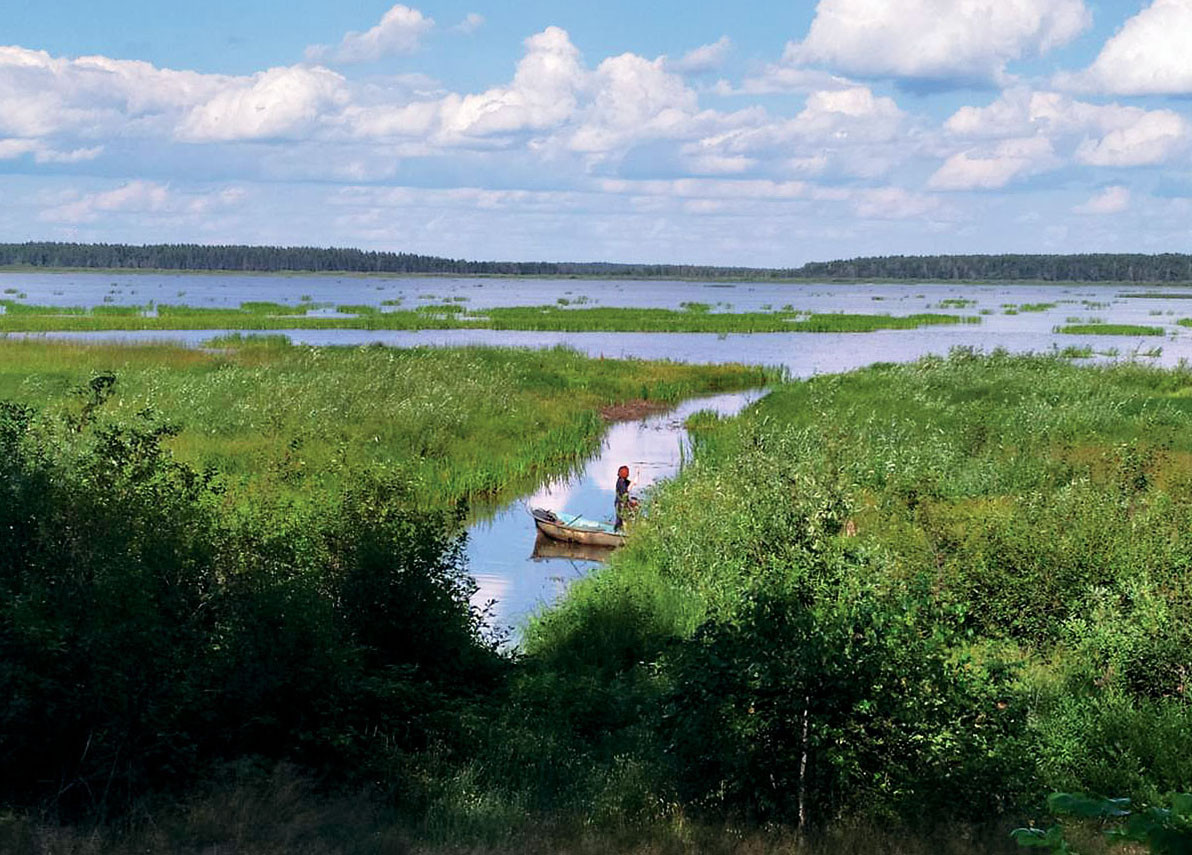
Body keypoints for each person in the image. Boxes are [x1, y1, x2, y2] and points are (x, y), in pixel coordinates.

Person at [614, 464, 635, 531]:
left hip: (623, 502)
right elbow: (624, 494)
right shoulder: (621, 482)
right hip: (620, 503)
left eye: (628, 472)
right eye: (626, 472)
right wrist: (630, 503)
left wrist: (637, 475)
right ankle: (618, 530)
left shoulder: (624, 481)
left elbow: (631, 483)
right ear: (621, 473)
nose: (628, 474)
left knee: (623, 518)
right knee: (620, 518)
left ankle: (621, 529)